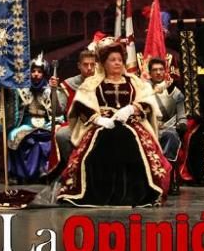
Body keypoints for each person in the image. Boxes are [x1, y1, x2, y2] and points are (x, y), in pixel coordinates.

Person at [56, 40, 171, 206]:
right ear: (104, 63)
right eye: (112, 60)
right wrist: (98, 119)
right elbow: (80, 105)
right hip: (102, 125)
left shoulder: (136, 82)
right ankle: (96, 193)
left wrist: (132, 109)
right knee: (97, 147)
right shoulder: (92, 83)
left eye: (119, 59)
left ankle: (136, 193)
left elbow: (148, 102)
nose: (117, 63)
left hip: (131, 123)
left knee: (133, 143)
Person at [6, 54, 61, 183]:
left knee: (50, 139)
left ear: (44, 73)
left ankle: (47, 172)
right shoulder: (21, 89)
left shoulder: (50, 89)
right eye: (33, 71)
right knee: (14, 136)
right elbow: (13, 108)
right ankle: (19, 174)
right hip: (27, 124)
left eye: (39, 71)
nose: (36, 74)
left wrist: (54, 91)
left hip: (45, 124)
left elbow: (58, 110)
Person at [47, 50, 97, 174]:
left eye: (92, 64)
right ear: (79, 65)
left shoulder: (100, 82)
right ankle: (73, 169)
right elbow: (58, 111)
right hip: (75, 124)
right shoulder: (69, 85)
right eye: (86, 64)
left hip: (97, 122)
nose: (89, 68)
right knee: (62, 135)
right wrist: (53, 92)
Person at [146, 57, 186, 194]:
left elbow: (181, 115)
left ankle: (170, 179)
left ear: (165, 71)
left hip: (168, 130)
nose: (158, 72)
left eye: (161, 69)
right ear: (149, 73)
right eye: (154, 70)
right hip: (148, 129)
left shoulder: (175, 92)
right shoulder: (143, 90)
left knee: (172, 136)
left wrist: (182, 124)